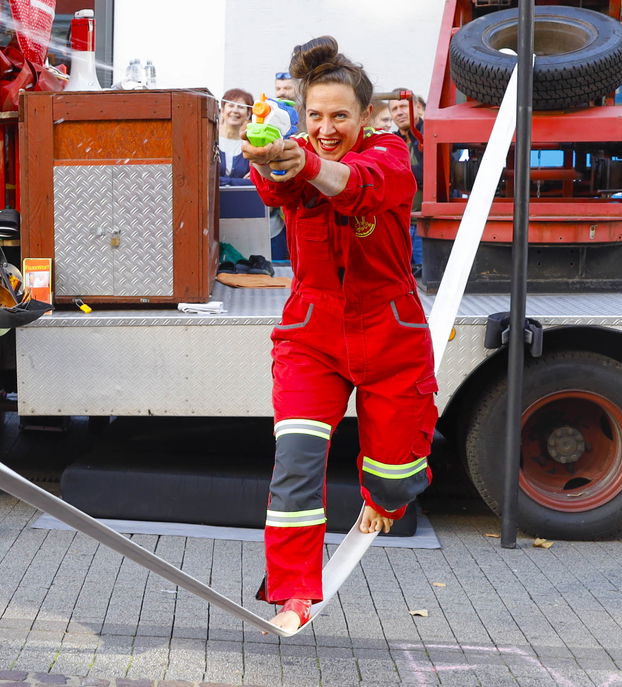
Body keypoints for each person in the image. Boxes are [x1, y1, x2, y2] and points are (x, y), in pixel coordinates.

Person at [241, 36, 434, 633]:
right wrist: (266, 155)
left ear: (365, 117)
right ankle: (294, 590)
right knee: (296, 460)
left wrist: (310, 164)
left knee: (392, 478)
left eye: (340, 116)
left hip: (390, 330)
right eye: (316, 116)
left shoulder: (391, 154)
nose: (326, 128)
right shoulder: (294, 149)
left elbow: (362, 185)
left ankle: (387, 497)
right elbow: (279, 187)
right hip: (312, 332)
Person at [388, 88, 426, 270]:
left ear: (418, 107)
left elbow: (427, 174)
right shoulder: (392, 140)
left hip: (423, 227)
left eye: (403, 106)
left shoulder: (431, 134)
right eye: (394, 109)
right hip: (399, 226)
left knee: (423, 278)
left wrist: (397, 173)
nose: (399, 112)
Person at [217, 89, 255, 187]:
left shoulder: (251, 145)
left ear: (248, 114)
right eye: (231, 105)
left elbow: (253, 182)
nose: (235, 110)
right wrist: (239, 182)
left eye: (241, 107)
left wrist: (221, 181)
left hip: (240, 200)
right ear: (222, 110)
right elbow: (207, 178)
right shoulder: (211, 140)